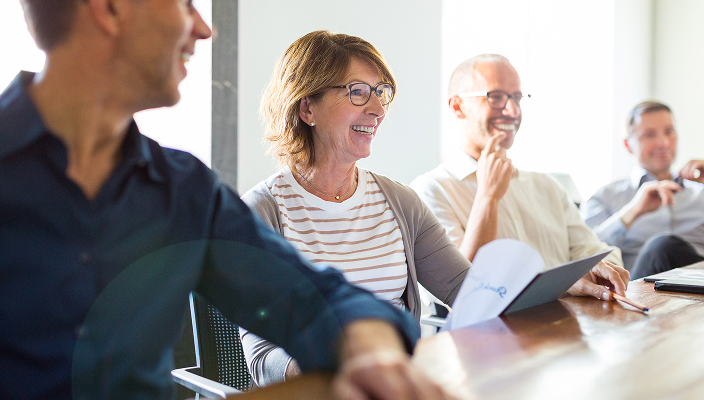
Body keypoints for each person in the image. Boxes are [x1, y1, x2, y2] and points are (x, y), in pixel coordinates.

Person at [0, 2, 451, 400]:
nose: (203, 28)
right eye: (184, 3)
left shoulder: (183, 190)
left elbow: (304, 296)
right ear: (110, 8)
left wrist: (368, 342)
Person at [239, 30, 470, 387]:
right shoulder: (261, 212)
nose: (377, 110)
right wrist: (340, 361)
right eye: (358, 92)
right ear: (307, 108)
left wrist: (554, 285)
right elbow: (262, 358)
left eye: (381, 93)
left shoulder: (401, 203)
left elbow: (466, 287)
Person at [410, 54, 629, 301]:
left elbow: (595, 250)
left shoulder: (546, 186)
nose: (512, 111)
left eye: (516, 97)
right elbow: (462, 292)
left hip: (571, 326)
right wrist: (487, 198)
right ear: (458, 107)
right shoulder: (430, 190)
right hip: (495, 335)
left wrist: (600, 270)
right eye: (495, 97)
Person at [580, 101, 704, 279]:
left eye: (669, 131)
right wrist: (631, 212)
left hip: (696, 296)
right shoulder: (606, 197)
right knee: (661, 247)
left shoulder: (700, 192)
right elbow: (581, 253)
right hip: (640, 295)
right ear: (628, 145)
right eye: (649, 135)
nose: (664, 143)